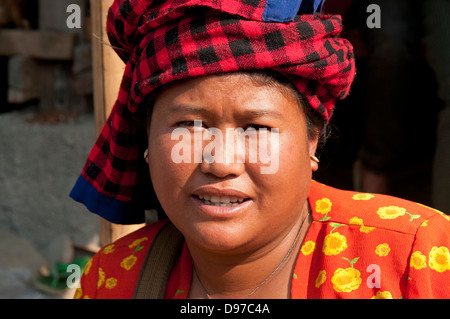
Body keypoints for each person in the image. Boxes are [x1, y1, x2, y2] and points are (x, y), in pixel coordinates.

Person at [70, 0, 450, 299]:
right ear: (147, 141)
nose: (220, 163)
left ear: (312, 139)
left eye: (256, 128)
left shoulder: (415, 258)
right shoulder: (111, 281)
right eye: (189, 125)